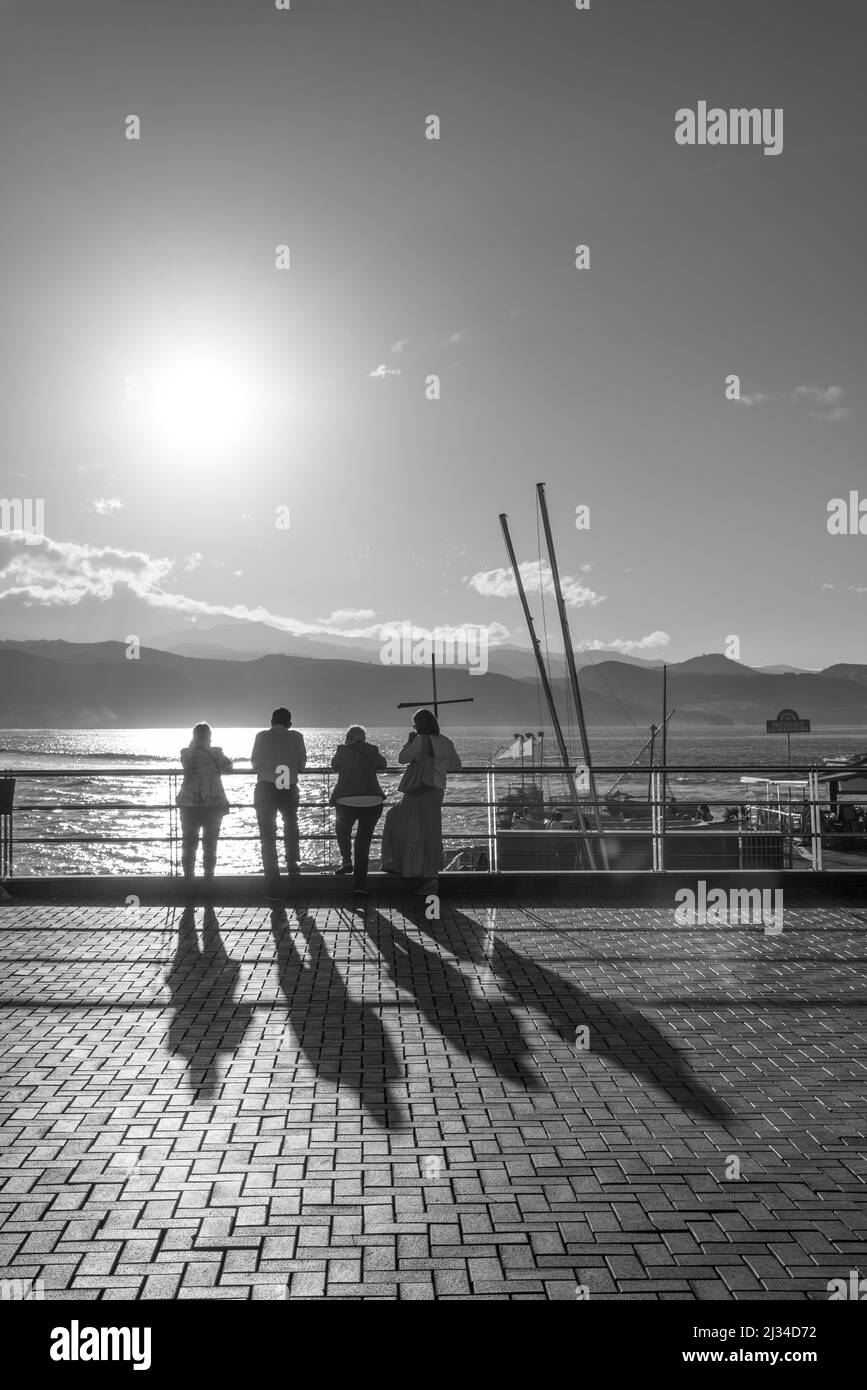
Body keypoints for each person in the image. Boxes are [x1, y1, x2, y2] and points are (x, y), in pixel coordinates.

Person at [380, 709, 461, 895]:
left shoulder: (419, 740)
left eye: (415, 724)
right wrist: (437, 766)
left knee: (398, 821)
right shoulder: (445, 741)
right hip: (436, 791)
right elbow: (456, 764)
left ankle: (403, 866)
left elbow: (402, 758)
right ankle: (430, 877)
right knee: (430, 831)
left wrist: (411, 745)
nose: (413, 727)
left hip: (418, 790)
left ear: (420, 725)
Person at [251, 707, 307, 900]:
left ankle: (273, 886)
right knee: (290, 825)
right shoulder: (297, 737)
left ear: (271, 721)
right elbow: (302, 764)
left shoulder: (261, 737)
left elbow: (255, 763)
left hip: (266, 787)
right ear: (290, 724)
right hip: (287, 786)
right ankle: (293, 866)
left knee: (267, 836)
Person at [175, 723, 233, 896]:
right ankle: (208, 882)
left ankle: (189, 883)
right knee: (210, 845)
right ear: (209, 736)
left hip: (189, 805)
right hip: (212, 806)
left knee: (188, 844)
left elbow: (188, 764)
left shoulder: (186, 753)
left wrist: (195, 744)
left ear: (193, 736)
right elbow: (229, 766)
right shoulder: (216, 753)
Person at [329, 725, 387, 895]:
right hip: (373, 800)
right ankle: (360, 886)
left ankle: (346, 860)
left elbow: (334, 765)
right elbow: (382, 764)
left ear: (349, 738)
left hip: (346, 800)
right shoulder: (372, 749)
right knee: (363, 843)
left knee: (342, 830)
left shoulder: (342, 750)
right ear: (364, 738)